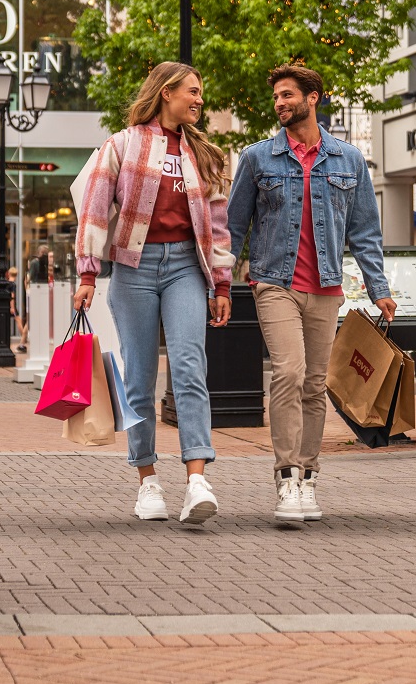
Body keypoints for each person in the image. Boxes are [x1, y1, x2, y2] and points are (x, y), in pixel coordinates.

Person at [227, 62, 395, 527]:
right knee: (290, 371)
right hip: (274, 283)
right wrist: (222, 281)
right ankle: (284, 477)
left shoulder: (349, 160)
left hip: (325, 288)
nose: (280, 103)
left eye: (287, 95)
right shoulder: (258, 158)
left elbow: (365, 231)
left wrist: (378, 288)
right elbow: (234, 226)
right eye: (276, 97)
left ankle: (307, 475)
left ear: (312, 97)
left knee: (316, 384)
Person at [74, 61, 232, 526]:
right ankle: (147, 481)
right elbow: (95, 210)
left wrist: (221, 284)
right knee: (139, 379)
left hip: (187, 266)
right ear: (166, 93)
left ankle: (197, 480)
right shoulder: (122, 145)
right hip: (133, 270)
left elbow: (218, 225)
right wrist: (87, 275)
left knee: (189, 367)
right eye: (193, 91)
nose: (200, 99)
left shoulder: (205, 154)